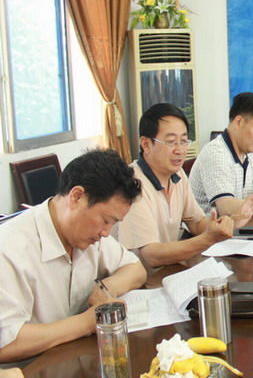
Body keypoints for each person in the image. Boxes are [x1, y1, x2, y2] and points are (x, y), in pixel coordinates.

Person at [0, 149, 146, 363]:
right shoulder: (9, 248)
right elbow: (7, 343)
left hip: (79, 362)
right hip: (33, 375)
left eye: (113, 224)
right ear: (77, 197)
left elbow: (136, 269)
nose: (106, 233)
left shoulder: (88, 234)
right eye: (106, 220)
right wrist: (87, 322)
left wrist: (105, 288)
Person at [115, 104, 252, 268]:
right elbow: (152, 255)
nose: (180, 150)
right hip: (140, 277)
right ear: (146, 144)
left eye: (184, 141)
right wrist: (208, 239)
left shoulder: (177, 174)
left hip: (168, 270)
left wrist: (226, 224)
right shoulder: (132, 185)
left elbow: (196, 222)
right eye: (171, 142)